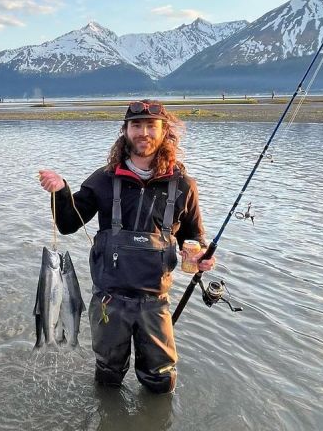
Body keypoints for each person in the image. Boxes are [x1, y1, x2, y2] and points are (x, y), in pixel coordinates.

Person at [38, 99, 215, 393]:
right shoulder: (104, 179)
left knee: (160, 379)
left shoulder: (184, 185)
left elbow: (194, 237)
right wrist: (61, 191)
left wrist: (203, 258)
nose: (143, 132)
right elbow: (69, 224)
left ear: (163, 131)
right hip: (109, 301)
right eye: (136, 126)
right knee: (108, 375)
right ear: (125, 131)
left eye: (150, 126)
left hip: (155, 303)